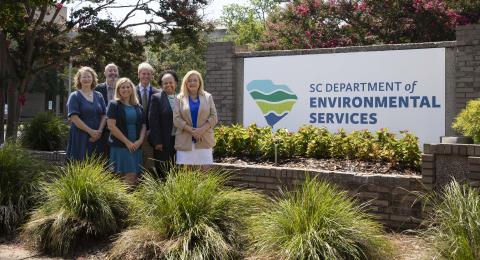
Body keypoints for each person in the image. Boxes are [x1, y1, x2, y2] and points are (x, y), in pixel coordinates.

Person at [173, 70, 218, 168]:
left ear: (200, 82)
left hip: (204, 139)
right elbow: (176, 119)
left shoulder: (208, 97)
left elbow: (214, 117)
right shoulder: (179, 98)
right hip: (184, 141)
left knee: (205, 172)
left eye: (195, 80)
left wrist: (201, 130)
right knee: (186, 175)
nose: (192, 83)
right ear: (185, 83)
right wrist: (193, 131)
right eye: (189, 81)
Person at [107, 78, 146, 185]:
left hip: (136, 146)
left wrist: (140, 141)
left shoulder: (138, 106)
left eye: (128, 87)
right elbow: (111, 126)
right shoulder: (114, 105)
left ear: (132, 89)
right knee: (124, 175)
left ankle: (127, 200)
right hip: (121, 146)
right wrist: (127, 142)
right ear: (118, 90)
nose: (125, 89)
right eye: (122, 87)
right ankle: (124, 200)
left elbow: (143, 125)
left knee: (134, 176)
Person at [66, 66, 106, 161]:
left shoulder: (99, 95)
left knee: (96, 163)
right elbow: (74, 117)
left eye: (89, 77)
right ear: (79, 79)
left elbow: (104, 115)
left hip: (97, 136)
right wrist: (90, 131)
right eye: (84, 77)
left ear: (93, 79)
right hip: (80, 136)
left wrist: (99, 132)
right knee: (79, 162)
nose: (86, 79)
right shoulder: (74, 96)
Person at [149, 70, 179, 178]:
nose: (168, 85)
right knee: (163, 170)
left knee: (177, 169)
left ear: (176, 83)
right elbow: (153, 122)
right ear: (161, 85)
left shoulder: (181, 98)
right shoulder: (156, 98)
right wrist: (157, 142)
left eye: (171, 82)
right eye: (165, 83)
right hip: (163, 142)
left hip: (179, 141)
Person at [95, 63, 119, 156]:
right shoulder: (97, 89)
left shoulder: (124, 88)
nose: (113, 72)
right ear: (105, 73)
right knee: (102, 157)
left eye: (115, 70)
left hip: (119, 129)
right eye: (110, 70)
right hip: (102, 130)